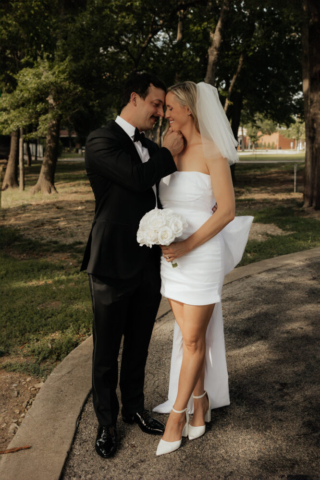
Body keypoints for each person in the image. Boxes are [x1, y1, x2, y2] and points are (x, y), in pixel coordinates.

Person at [81, 72, 184, 459]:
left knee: (140, 342)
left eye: (162, 106)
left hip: (147, 262)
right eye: (156, 104)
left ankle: (134, 408)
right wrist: (168, 152)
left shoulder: (148, 143)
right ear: (134, 99)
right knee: (107, 350)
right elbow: (137, 178)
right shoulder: (101, 140)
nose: (159, 112)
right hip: (110, 262)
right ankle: (106, 423)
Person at [152, 81, 253, 456]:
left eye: (172, 108)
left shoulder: (212, 150)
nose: (166, 114)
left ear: (190, 110)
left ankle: (176, 418)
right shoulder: (169, 148)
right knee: (188, 335)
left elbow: (226, 210)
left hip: (200, 255)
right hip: (172, 259)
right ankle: (201, 401)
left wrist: (187, 245)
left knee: (193, 340)